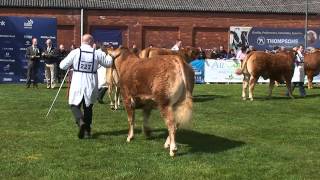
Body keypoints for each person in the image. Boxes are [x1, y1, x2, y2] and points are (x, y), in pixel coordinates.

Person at [59, 34, 113, 139]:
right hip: (91, 82)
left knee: (74, 104)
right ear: (91, 42)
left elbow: (62, 65)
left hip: (77, 81)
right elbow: (108, 63)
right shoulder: (97, 53)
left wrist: (72, 64)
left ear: (82, 41)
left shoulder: (75, 52)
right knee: (88, 107)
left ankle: (80, 121)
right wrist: (109, 54)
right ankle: (87, 131)